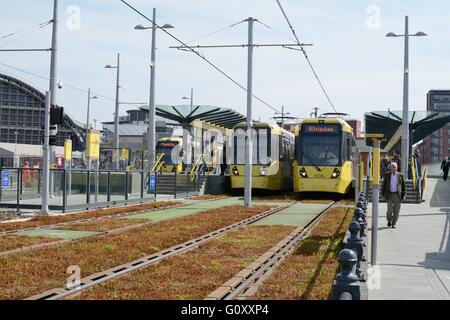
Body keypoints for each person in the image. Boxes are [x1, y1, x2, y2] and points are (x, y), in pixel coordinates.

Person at [381, 162, 406, 229]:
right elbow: (384, 185)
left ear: (397, 168)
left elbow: (403, 186)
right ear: (390, 168)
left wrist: (403, 195)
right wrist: (382, 194)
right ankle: (389, 220)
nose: (393, 168)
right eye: (392, 167)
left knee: (396, 211)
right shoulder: (387, 175)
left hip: (398, 195)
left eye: (395, 167)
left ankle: (393, 223)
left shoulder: (400, 175)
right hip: (389, 195)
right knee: (390, 210)